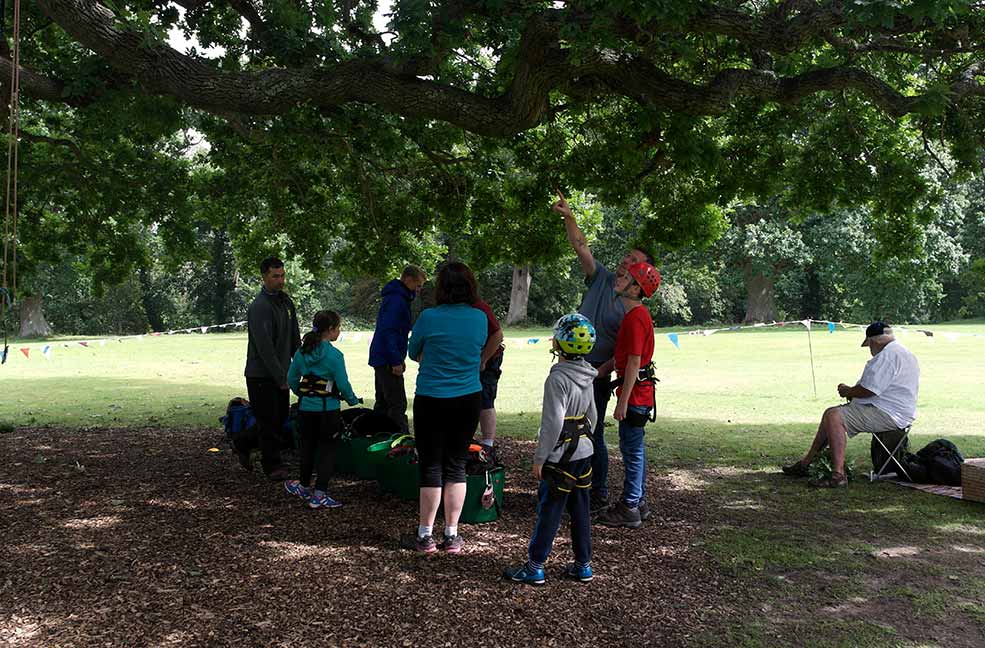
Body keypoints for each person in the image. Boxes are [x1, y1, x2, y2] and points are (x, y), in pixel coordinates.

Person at [552, 189, 656, 512]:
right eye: (627, 257)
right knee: (565, 425)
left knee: (592, 433)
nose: (626, 262)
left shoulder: (632, 308)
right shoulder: (604, 279)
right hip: (574, 365)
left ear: (642, 278)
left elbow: (629, 354)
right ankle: (575, 485)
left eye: (634, 262)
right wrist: (570, 216)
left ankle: (598, 493)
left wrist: (599, 372)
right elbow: (580, 246)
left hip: (598, 372)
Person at [503, 313, 598, 586]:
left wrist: (540, 458)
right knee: (581, 510)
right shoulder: (588, 374)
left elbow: (552, 422)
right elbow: (591, 414)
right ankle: (583, 565)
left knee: (550, 511)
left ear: (559, 343)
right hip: (584, 452)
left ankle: (534, 567)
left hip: (561, 457)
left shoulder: (557, 379)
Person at [400, 261, 488, 553]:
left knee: (431, 466)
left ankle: (425, 535)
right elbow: (476, 351)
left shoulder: (429, 317)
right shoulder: (479, 319)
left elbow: (413, 353)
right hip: (467, 399)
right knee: (457, 465)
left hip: (432, 398)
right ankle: (451, 535)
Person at [782, 322, 920, 488]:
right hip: (893, 411)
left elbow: (869, 390)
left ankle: (838, 474)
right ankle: (807, 463)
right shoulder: (901, 352)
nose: (870, 349)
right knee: (830, 413)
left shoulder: (887, 356)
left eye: (869, 345)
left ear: (874, 342)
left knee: (834, 416)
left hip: (890, 414)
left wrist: (848, 391)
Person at [596, 262, 661, 528]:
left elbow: (633, 362)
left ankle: (630, 506)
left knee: (631, 451)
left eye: (625, 277)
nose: (618, 278)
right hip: (638, 394)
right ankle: (639, 501)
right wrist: (599, 371)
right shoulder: (634, 315)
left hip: (635, 397)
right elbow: (621, 357)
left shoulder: (635, 318)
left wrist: (622, 403)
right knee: (634, 449)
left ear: (636, 288)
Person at [285, 310, 360, 508]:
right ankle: (320, 494)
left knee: (307, 448)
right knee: (327, 451)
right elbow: (343, 385)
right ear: (330, 329)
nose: (339, 331)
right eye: (338, 328)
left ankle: (302, 486)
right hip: (328, 411)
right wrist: (352, 400)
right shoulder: (335, 355)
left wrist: (302, 394)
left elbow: (292, 379)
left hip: (306, 410)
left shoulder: (301, 352)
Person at [244, 257, 301, 481]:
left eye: (282, 275)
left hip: (283, 372)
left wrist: (300, 363)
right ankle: (272, 465)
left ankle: (242, 442)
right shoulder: (260, 306)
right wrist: (280, 377)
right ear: (264, 277)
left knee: (279, 419)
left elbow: (294, 337)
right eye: (275, 276)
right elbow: (264, 346)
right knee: (268, 421)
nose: (280, 280)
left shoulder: (286, 302)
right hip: (261, 374)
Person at [368, 265, 427, 434]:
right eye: (418, 285)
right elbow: (390, 331)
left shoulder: (396, 297)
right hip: (386, 357)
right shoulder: (397, 300)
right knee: (397, 403)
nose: (419, 290)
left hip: (382, 355)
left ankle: (377, 436)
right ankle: (401, 441)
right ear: (408, 279)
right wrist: (395, 360)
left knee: (383, 402)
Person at [463, 269, 505, 451]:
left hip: (488, 361)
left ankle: (488, 444)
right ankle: (467, 439)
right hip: (472, 361)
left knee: (485, 400)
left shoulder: (480, 307)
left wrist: (483, 359)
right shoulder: (462, 308)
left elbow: (498, 334)